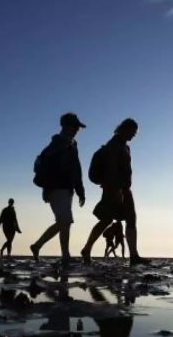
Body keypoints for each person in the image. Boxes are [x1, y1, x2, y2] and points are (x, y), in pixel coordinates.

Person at [80, 119, 148, 266]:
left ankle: (134, 256)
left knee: (131, 219)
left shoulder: (125, 147)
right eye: (132, 132)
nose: (134, 135)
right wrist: (117, 190)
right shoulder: (113, 146)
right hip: (114, 189)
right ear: (124, 129)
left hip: (124, 188)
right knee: (106, 220)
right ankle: (86, 249)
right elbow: (111, 170)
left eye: (135, 133)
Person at [29, 113, 87, 266]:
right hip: (56, 188)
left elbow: (77, 169)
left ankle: (38, 246)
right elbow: (47, 170)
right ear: (65, 126)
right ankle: (64, 255)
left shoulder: (72, 145)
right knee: (65, 221)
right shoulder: (56, 144)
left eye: (78, 128)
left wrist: (80, 190)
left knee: (64, 222)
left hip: (67, 189)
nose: (76, 130)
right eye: (74, 126)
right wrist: (46, 189)